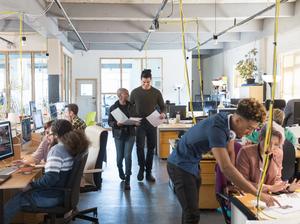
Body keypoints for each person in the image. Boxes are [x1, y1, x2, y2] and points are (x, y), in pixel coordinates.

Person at [167, 98, 278, 224]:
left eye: (253, 129)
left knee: (189, 209)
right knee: (192, 214)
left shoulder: (229, 122)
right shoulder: (217, 129)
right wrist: (258, 194)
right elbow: (226, 167)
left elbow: (230, 151)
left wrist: (231, 183)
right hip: (179, 165)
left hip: (192, 163)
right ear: (238, 120)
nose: (250, 133)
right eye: (249, 128)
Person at [4, 119, 90, 224]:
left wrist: (31, 185)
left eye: (49, 133)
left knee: (14, 200)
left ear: (56, 135)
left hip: (52, 196)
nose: (48, 136)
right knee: (20, 192)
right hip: (63, 194)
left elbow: (50, 179)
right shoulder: (71, 146)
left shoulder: (57, 150)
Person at [236, 122, 300, 193]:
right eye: (268, 142)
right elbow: (242, 183)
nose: (271, 147)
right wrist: (269, 188)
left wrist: (287, 188)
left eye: (276, 144)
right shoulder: (245, 152)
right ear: (260, 138)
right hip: (249, 195)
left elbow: (277, 180)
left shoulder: (278, 153)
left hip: (268, 196)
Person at [130, 69, 165, 182]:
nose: (145, 84)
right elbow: (130, 107)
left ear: (151, 80)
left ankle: (148, 172)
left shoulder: (156, 92)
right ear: (141, 80)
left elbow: (163, 106)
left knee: (151, 147)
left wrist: (163, 113)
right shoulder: (135, 92)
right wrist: (133, 119)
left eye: (148, 82)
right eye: (144, 82)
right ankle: (141, 168)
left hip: (152, 122)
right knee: (139, 147)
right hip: (139, 123)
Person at [108, 88, 137, 190]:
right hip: (119, 135)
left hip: (130, 134)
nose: (128, 95)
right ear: (120, 95)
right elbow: (109, 122)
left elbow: (136, 117)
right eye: (126, 93)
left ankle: (128, 179)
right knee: (120, 157)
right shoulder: (113, 108)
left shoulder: (132, 106)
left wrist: (136, 122)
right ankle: (120, 170)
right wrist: (116, 124)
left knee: (128, 156)